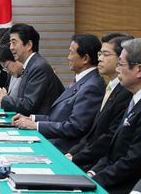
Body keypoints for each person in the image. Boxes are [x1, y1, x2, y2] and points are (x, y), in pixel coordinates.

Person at [12, 34, 105, 153]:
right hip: (53, 141)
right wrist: (32, 118)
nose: (68, 57)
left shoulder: (92, 86)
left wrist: (37, 126)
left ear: (85, 58)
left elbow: (75, 126)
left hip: (64, 150)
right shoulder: (82, 81)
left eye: (71, 53)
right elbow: (59, 117)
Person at [66, 35, 133, 171]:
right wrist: (72, 153)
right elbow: (92, 134)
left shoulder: (126, 93)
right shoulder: (111, 87)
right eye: (99, 54)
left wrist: (76, 158)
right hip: (89, 158)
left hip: (99, 165)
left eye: (106, 54)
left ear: (121, 59)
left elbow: (108, 138)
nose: (100, 59)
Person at [87, 38, 141, 193]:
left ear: (138, 70)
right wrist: (92, 173)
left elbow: (132, 162)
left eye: (121, 64)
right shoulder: (133, 98)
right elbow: (112, 152)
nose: (117, 69)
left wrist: (94, 181)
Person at [0, 23, 64, 115]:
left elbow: (29, 105)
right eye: (10, 43)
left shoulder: (38, 67)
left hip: (41, 124)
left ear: (29, 45)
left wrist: (3, 99)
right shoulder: (31, 64)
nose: (11, 48)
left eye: (14, 42)